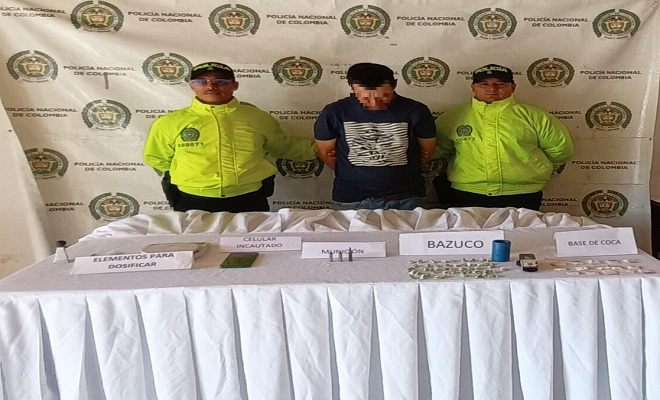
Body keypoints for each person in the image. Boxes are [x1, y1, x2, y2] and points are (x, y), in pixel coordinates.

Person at [143, 62, 317, 213]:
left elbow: (284, 148)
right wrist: (194, 177)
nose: (211, 86)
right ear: (192, 86)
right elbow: (157, 158)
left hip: (249, 199)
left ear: (235, 85)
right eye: (201, 81)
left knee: (253, 242)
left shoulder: (258, 118)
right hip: (192, 200)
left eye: (220, 81)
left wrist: (326, 147)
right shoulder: (169, 122)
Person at [434, 63, 574, 210]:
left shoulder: (536, 117)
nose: (492, 89)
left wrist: (536, 168)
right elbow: (437, 148)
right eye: (484, 84)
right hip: (467, 193)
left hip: (523, 193)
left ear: (513, 87)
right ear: (473, 87)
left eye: (500, 84)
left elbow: (561, 149)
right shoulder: (454, 117)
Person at [314, 62, 436, 210]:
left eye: (383, 96)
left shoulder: (416, 110)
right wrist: (352, 172)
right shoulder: (334, 112)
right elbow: (325, 153)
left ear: (395, 85)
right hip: (352, 197)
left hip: (406, 196)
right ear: (352, 88)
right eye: (364, 97)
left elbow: (427, 151)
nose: (373, 103)